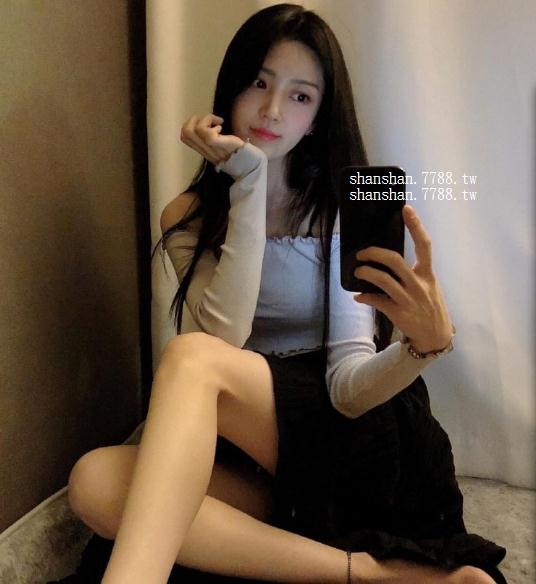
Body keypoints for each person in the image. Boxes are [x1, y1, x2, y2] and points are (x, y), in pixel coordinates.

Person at [66, 4, 507, 583]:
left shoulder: (348, 205)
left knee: (190, 358)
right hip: (261, 455)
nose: (272, 109)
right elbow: (226, 336)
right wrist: (248, 183)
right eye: (259, 83)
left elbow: (347, 391)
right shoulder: (187, 217)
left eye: (300, 96)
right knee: (94, 482)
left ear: (319, 116)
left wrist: (422, 349)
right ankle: (373, 574)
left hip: (353, 431)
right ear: (231, 90)